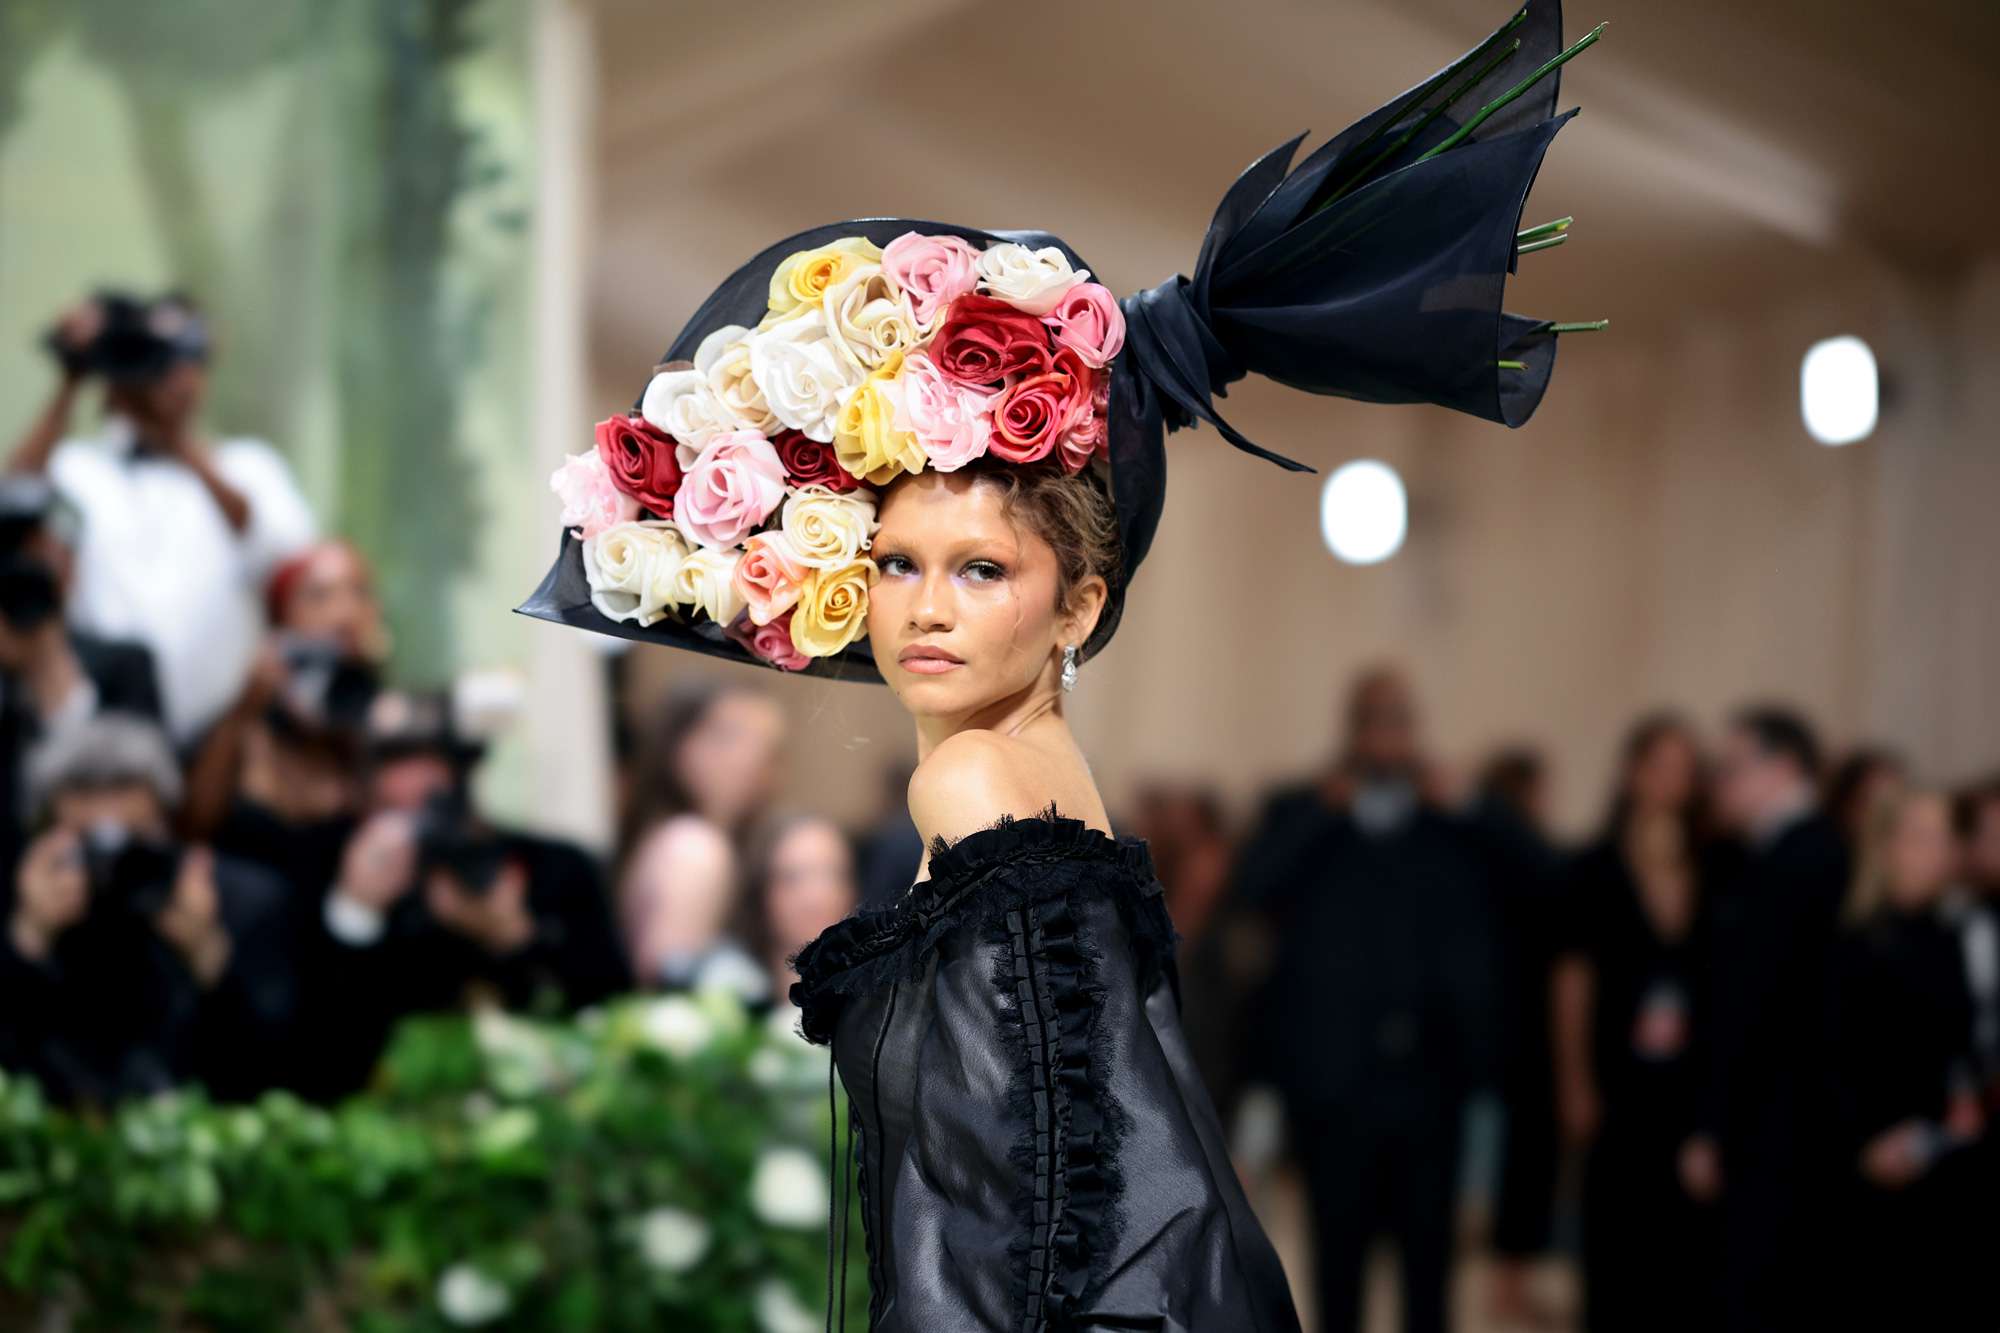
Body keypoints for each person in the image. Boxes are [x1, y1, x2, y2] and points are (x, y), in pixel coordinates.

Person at [521, 4, 1595, 1325]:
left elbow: (1033, 1199)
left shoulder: (969, 783)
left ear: (1079, 607)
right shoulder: (1033, 765)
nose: (925, 609)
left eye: (982, 571)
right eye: (901, 562)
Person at [1233, 667, 1500, 1333]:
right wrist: (1329, 808)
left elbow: (1538, 879)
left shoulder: (1446, 821)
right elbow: (1250, 888)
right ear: (1353, 730)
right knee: (1338, 1263)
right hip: (1335, 1087)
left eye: (1399, 720)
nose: (1388, 737)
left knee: (1429, 1266)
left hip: (1430, 1083)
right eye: (1375, 720)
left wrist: (1471, 802)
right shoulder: (1303, 808)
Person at [7, 291, 316, 746]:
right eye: (150, 358)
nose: (165, 377)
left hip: (226, 737)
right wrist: (71, 378)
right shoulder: (81, 467)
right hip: (106, 727)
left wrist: (179, 442)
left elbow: (281, 554)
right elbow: (14, 501)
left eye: (184, 358)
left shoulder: (247, 465)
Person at [0, 714, 296, 1105]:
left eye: (133, 842)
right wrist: (28, 940)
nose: (112, 867)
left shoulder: (243, 899)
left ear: (167, 819)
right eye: (91, 847)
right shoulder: (22, 899)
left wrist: (207, 952)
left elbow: (280, 1074)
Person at [1683, 705, 1850, 1332]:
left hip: (1777, 1122)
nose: (1717, 785)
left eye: (1729, 769)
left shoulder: (1800, 858)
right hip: (1776, 1118)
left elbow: (1751, 1007)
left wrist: (1711, 1125)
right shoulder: (1777, 854)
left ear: (1782, 768)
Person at [1549, 714, 1713, 1331]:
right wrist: (1575, 1082)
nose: (1673, 783)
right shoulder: (1593, 868)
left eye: (1684, 770)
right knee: (1614, 1245)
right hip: (1619, 1083)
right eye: (1661, 767)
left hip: (1686, 1088)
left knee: (1682, 1253)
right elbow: (1571, 982)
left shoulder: (1712, 865)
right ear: (1631, 773)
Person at [1832, 789, 1982, 1329]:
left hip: (1938, 1158)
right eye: (1921, 837)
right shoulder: (1852, 940)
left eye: (1945, 838)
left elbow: (1960, 1050)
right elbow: (1828, 1060)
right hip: (1859, 1167)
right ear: (1886, 845)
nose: (1937, 852)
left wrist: (1954, 1118)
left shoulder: (1950, 935)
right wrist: (1863, 1144)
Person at [0, 476, 164, 870]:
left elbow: (149, 785)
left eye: (47, 554)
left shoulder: (126, 663)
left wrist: (53, 671)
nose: (32, 575)